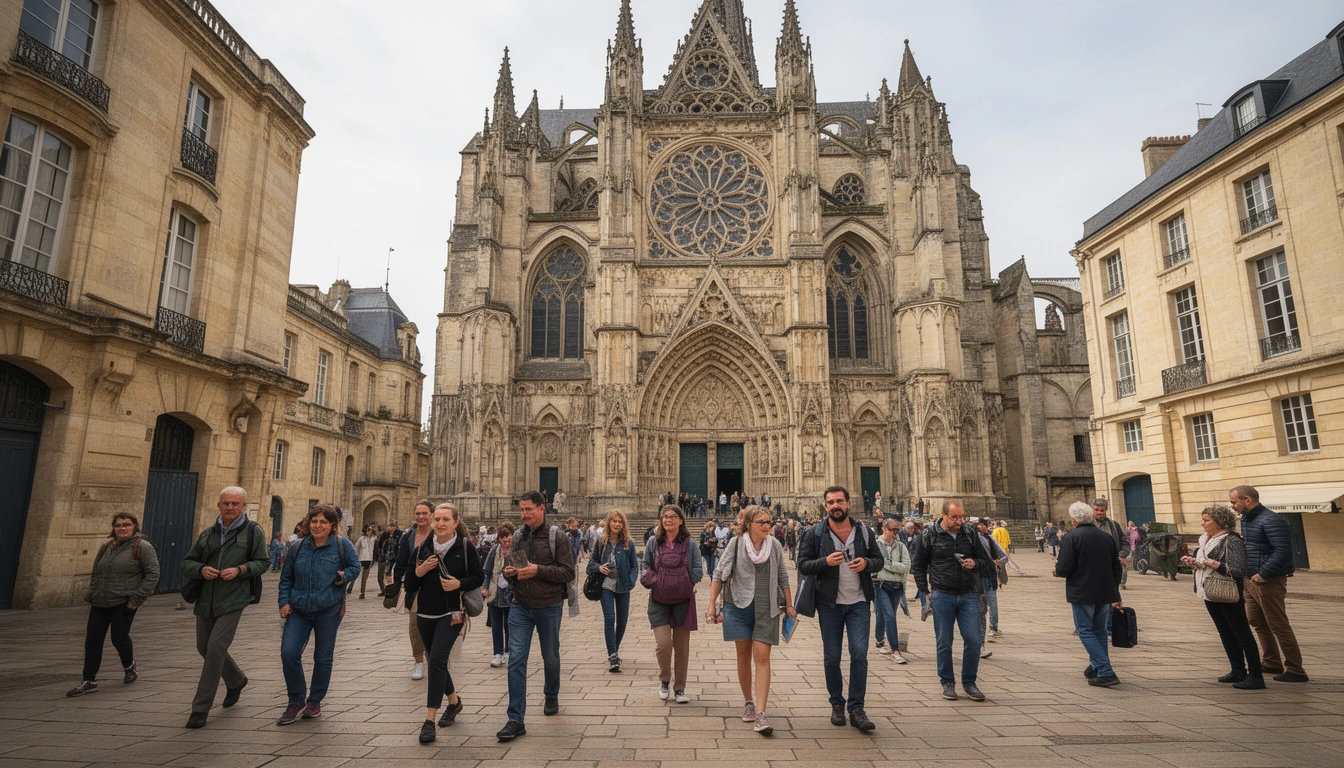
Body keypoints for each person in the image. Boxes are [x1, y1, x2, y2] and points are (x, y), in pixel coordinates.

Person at [180, 487, 269, 728]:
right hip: (206, 598)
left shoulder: (253, 532)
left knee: (216, 648)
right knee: (203, 648)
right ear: (219, 506)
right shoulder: (207, 534)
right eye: (226, 503)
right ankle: (236, 680)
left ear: (243, 506)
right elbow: (187, 562)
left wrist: (240, 570)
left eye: (235, 504)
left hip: (234, 598)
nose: (230, 507)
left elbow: (263, 562)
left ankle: (200, 708)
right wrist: (200, 570)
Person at [797, 486, 883, 731]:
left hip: (858, 602)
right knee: (832, 657)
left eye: (839, 501)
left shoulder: (864, 531)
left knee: (859, 654)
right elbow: (802, 564)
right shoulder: (815, 532)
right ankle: (837, 704)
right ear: (826, 506)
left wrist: (866, 563)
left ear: (848, 503)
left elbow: (879, 560)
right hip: (829, 603)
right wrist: (825, 562)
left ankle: (856, 708)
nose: (835, 506)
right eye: (830, 502)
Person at [708, 505, 795, 735]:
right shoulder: (736, 544)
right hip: (738, 605)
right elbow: (719, 573)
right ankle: (749, 701)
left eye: (769, 522)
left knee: (763, 656)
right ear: (748, 524)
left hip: (767, 607)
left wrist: (789, 604)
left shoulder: (775, 545)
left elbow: (783, 576)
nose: (767, 526)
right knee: (744, 655)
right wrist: (711, 605)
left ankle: (761, 713)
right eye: (762, 522)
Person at [497, 490, 576, 742]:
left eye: (528, 509)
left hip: (549, 606)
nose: (524, 514)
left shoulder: (558, 537)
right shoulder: (518, 536)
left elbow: (567, 572)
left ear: (542, 508)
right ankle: (515, 718)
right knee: (516, 659)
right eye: (521, 510)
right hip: (520, 605)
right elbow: (510, 567)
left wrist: (536, 570)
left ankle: (551, 693)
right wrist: (509, 572)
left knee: (550, 656)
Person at [276, 505, 360, 725]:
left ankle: (315, 700)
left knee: (322, 658)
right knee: (289, 653)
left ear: (332, 525)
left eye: (323, 522)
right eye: (314, 521)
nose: (318, 525)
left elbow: (355, 566)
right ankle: (295, 700)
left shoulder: (342, 545)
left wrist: (345, 576)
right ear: (308, 523)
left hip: (329, 609)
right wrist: (283, 601)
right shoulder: (297, 547)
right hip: (299, 610)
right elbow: (286, 578)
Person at [407, 504, 484, 743]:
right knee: (435, 660)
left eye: (445, 519)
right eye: (437, 519)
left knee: (437, 659)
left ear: (455, 522)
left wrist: (458, 584)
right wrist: (419, 572)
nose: (440, 523)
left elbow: (478, 577)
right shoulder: (423, 549)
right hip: (425, 614)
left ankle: (429, 719)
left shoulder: (465, 546)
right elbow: (409, 584)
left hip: (452, 614)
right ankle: (454, 702)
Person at [68, 513, 160, 697]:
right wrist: (92, 594)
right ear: (113, 528)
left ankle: (129, 665)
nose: (122, 528)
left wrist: (136, 600)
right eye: (118, 525)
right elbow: (96, 573)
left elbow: (152, 574)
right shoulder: (106, 547)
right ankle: (89, 680)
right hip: (100, 601)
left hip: (124, 602)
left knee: (119, 638)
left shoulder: (142, 547)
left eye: (126, 524)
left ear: (135, 526)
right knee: (93, 641)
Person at [909, 499, 992, 702]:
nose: (959, 521)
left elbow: (986, 563)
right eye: (954, 517)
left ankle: (969, 682)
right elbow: (918, 565)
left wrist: (975, 563)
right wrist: (925, 592)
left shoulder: (970, 534)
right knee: (944, 641)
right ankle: (947, 682)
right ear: (943, 515)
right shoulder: (929, 534)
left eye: (961, 516)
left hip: (968, 593)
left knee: (973, 640)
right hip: (941, 594)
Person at [1230, 485, 1306, 682]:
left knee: (1278, 624)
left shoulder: (1271, 520)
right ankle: (1272, 661)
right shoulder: (1248, 520)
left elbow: (1283, 551)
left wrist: (1264, 573)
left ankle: (1296, 669)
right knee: (1256, 620)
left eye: (1234, 502)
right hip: (1250, 579)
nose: (1233, 506)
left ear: (1247, 499)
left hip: (1268, 580)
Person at [1183, 505, 1264, 690]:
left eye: (1207, 520)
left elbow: (1238, 569)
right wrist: (1194, 562)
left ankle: (1256, 676)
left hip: (1227, 591)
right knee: (1225, 632)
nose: (1203, 524)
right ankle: (1237, 670)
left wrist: (1210, 562)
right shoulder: (1205, 540)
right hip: (1209, 591)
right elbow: (1205, 564)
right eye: (1203, 520)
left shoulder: (1232, 540)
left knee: (1242, 633)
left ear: (1219, 522)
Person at [1053, 501, 1124, 688]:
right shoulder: (1106, 537)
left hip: (1082, 591)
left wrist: (1058, 571)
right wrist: (1115, 592)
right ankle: (1097, 666)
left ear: (1074, 520)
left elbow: (1064, 567)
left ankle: (1105, 670)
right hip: (1105, 591)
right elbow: (1116, 567)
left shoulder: (1072, 537)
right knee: (1099, 630)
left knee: (1085, 630)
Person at [644, 504, 704, 705]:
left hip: (682, 599)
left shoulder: (690, 543)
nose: (667, 520)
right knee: (663, 645)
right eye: (664, 517)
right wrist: (654, 581)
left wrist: (687, 581)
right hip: (659, 599)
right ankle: (664, 679)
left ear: (680, 520)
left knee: (682, 648)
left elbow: (698, 567)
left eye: (671, 517)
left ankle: (679, 688)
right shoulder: (654, 542)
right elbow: (645, 566)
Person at [590, 510, 639, 673]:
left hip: (624, 586)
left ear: (623, 524)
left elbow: (634, 566)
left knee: (623, 622)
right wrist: (599, 567)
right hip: (606, 586)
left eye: (620, 521)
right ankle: (613, 655)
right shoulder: (601, 541)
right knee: (610, 618)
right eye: (614, 521)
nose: (617, 524)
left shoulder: (628, 543)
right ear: (609, 523)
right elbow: (591, 563)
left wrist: (631, 581)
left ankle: (614, 650)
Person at [393, 501, 434, 680]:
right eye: (418, 513)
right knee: (415, 623)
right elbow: (401, 561)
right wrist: (397, 582)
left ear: (431, 514)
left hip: (438, 586)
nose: (421, 517)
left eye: (424, 513)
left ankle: (434, 659)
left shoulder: (440, 534)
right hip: (415, 587)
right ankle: (418, 660)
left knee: (436, 624)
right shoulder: (408, 537)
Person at [873, 518, 909, 664]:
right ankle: (895, 650)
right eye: (893, 530)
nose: (895, 533)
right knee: (889, 616)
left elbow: (906, 566)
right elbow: (874, 564)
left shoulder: (900, 546)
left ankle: (879, 640)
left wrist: (887, 564)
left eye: (897, 530)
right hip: (880, 584)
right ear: (884, 528)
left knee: (885, 614)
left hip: (896, 586)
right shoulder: (875, 545)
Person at [481, 522, 516, 668]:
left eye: (508, 537)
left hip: (511, 593)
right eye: (503, 537)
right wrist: (484, 586)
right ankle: (498, 653)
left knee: (510, 625)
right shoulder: (495, 550)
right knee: (496, 625)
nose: (506, 540)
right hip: (495, 593)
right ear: (499, 538)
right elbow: (487, 571)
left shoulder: (516, 550)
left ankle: (508, 653)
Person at [976, 519, 1007, 651]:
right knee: (981, 609)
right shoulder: (974, 540)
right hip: (978, 579)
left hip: (989, 577)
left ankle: (992, 627)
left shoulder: (989, 539)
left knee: (989, 605)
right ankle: (980, 641)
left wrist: (997, 562)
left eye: (982, 526)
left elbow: (1004, 556)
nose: (981, 528)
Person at [1090, 498, 1131, 591]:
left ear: (1106, 510)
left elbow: (1124, 543)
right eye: (1096, 510)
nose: (1099, 512)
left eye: (1102, 510)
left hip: (1111, 565)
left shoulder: (1114, 525)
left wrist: (1122, 555)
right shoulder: (1086, 524)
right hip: (1091, 566)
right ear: (1092, 509)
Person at [352, 525, 377, 598]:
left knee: (364, 577)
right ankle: (352, 588)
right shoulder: (361, 539)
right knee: (358, 575)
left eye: (371, 531)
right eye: (368, 530)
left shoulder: (374, 539)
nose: (369, 532)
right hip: (361, 559)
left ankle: (362, 592)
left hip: (369, 559)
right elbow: (357, 548)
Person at [376, 521, 401, 596]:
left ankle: (393, 591)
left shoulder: (398, 535)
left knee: (392, 574)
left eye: (393, 526)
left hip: (394, 558)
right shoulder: (385, 535)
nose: (391, 527)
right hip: (385, 557)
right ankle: (385, 590)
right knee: (383, 575)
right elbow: (380, 545)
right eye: (390, 526)